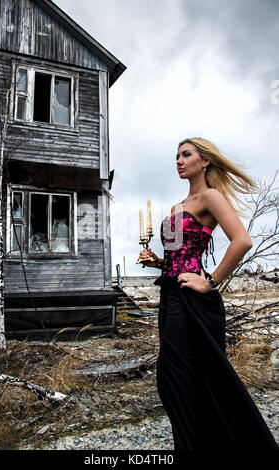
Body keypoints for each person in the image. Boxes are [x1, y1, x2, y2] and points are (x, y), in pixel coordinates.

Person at [138, 137, 278, 450]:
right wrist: (157, 261)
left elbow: (242, 240)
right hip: (170, 295)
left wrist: (210, 281)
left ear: (205, 162)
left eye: (186, 154)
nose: (178, 160)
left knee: (182, 377)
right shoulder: (177, 207)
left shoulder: (210, 197)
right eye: (176, 155)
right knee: (176, 378)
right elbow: (177, 257)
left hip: (193, 299)